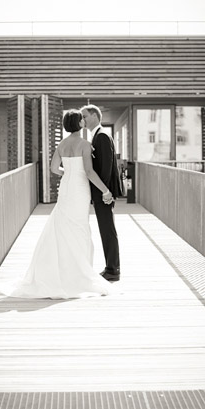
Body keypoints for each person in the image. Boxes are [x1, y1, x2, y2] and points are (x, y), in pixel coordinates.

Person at [3, 109, 113, 299]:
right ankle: (78, 270)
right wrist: (106, 190)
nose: (83, 122)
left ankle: (61, 269)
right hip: (79, 189)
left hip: (67, 188)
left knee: (62, 225)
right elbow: (89, 172)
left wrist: (68, 173)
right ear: (79, 124)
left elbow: (54, 168)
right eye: (82, 120)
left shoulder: (61, 145)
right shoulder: (85, 145)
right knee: (79, 226)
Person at [81, 105, 123, 282]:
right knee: (106, 229)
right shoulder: (98, 136)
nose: (82, 119)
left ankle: (112, 270)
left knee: (107, 231)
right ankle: (111, 267)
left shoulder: (102, 137)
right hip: (102, 192)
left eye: (84, 116)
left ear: (94, 117)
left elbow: (105, 169)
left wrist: (105, 193)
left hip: (104, 194)